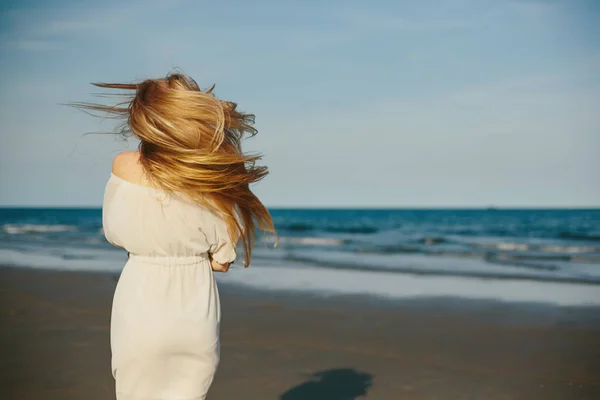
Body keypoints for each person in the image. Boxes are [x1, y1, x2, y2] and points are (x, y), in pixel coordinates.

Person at [73, 72, 276, 400]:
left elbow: (116, 232)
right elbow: (222, 261)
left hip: (138, 297)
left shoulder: (123, 165)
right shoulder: (210, 183)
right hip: (193, 308)